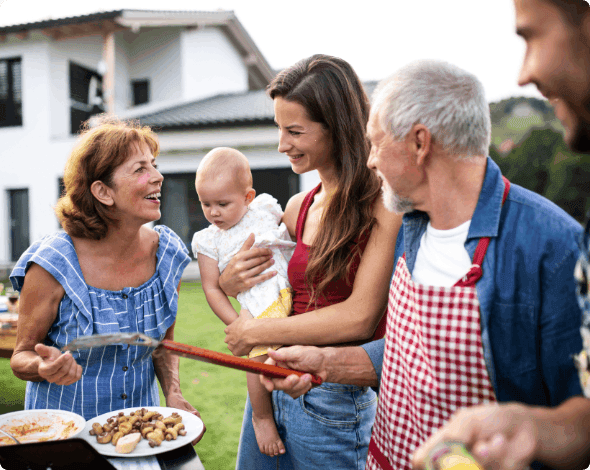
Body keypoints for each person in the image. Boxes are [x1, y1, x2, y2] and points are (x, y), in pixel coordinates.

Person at [259, 59, 583, 470]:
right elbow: (408, 355)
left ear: (419, 143)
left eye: (376, 144)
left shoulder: (553, 248)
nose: (370, 161)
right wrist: (326, 363)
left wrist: (524, 427)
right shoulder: (410, 229)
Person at [411, 1, 590, 469]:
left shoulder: (555, 241)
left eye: (531, 36)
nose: (524, 73)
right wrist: (530, 428)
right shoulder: (408, 230)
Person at [220, 54, 402, 469]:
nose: (282, 144)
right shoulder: (297, 207)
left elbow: (359, 316)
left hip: (332, 395)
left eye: (295, 131)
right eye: (279, 129)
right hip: (272, 386)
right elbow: (269, 287)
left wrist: (257, 331)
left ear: (337, 128)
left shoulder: (384, 206)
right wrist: (231, 282)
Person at [9, 118, 204, 442]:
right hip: (63, 440)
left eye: (154, 165)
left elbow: (162, 346)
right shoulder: (53, 263)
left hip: (136, 436)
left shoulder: (165, 254)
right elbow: (21, 356)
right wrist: (44, 368)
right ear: (102, 191)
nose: (158, 176)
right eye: (141, 169)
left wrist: (173, 393)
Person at [192, 146, 296, 456]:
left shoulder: (264, 208)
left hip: (291, 289)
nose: (214, 213)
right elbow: (212, 289)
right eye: (205, 204)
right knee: (258, 361)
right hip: (258, 303)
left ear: (248, 197)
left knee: (292, 358)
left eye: (223, 204)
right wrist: (239, 325)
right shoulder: (209, 240)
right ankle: (262, 418)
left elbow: (290, 227)